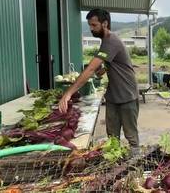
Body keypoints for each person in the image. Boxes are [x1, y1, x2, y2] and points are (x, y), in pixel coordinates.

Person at [58, 9, 139, 147]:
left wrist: (68, 93)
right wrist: (103, 70)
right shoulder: (105, 41)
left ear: (105, 24)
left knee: (131, 136)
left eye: (94, 25)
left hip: (127, 95)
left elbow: (90, 68)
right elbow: (112, 63)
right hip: (113, 95)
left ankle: (136, 163)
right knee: (112, 136)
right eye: (90, 25)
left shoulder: (111, 41)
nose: (91, 28)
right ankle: (116, 164)